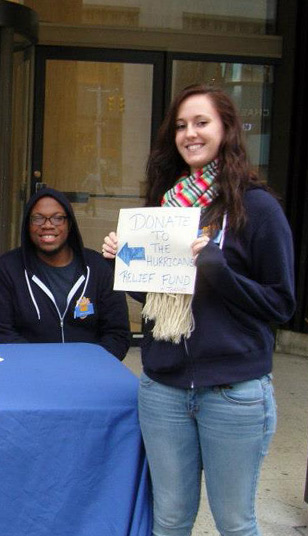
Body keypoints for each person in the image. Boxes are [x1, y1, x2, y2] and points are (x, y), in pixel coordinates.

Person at [102, 85, 295, 536]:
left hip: (233, 392)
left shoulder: (258, 207)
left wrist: (216, 267)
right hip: (164, 388)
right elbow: (154, 301)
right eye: (182, 126)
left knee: (234, 522)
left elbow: (281, 304)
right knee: (169, 520)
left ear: (227, 129)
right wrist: (127, 264)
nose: (190, 133)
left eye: (202, 123)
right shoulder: (166, 207)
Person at [0, 186, 130, 359]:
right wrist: (46, 365)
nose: (47, 225)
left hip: (89, 374)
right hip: (29, 372)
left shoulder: (98, 268)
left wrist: (89, 365)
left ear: (69, 224)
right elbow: (1, 333)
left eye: (57, 218)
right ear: (27, 225)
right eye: (38, 218)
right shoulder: (8, 268)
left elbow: (117, 334)